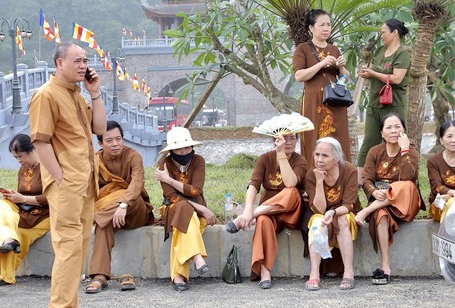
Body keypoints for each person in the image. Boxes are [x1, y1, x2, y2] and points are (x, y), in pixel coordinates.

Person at [30, 42, 106, 308]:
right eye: (77, 60)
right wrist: (59, 178)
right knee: (68, 248)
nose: (83, 65)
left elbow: (99, 128)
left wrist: (95, 92)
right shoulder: (46, 95)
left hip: (86, 182)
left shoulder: (77, 95)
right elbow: (40, 141)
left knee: (79, 247)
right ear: (60, 63)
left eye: (85, 60)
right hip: (66, 184)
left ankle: (62, 307)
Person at [226, 133, 307, 289]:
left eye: (292, 138)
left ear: (297, 140)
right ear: (274, 140)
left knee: (291, 192)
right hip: (268, 211)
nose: (288, 142)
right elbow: (254, 184)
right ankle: (265, 272)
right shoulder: (265, 158)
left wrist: (282, 154)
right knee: (262, 220)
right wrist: (249, 208)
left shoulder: (299, 160)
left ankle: (246, 217)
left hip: (290, 211)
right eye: (283, 139)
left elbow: (291, 183)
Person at [85, 120, 154, 294]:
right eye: (109, 141)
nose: (115, 144)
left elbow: (137, 183)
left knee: (131, 197)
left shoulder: (133, 156)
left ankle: (95, 217)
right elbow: (89, 189)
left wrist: (123, 204)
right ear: (100, 143)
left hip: (134, 211)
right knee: (103, 224)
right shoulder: (95, 160)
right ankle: (99, 276)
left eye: (118, 139)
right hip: (111, 215)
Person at [355, 113, 422, 285]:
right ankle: (385, 266)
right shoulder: (375, 152)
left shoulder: (411, 151)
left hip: (405, 202)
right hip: (382, 201)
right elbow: (366, 179)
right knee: (381, 215)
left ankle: (365, 211)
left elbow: (409, 177)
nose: (393, 131)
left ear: (403, 130)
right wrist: (373, 192)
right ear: (382, 133)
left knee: (405, 185)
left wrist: (405, 150)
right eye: (389, 127)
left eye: (397, 127)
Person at [154, 127, 216, 292]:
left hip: (193, 213)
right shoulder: (165, 163)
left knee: (188, 222)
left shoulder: (198, 160)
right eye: (179, 148)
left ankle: (179, 277)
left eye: (186, 147)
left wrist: (169, 179)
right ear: (172, 150)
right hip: (173, 207)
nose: (183, 151)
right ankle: (197, 257)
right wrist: (200, 207)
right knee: (182, 206)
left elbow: (196, 190)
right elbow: (171, 196)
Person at [293, 9, 351, 169]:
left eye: (329, 25)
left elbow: (345, 78)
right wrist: (321, 63)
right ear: (311, 28)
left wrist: (341, 68)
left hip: (335, 102)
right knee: (313, 138)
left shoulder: (334, 49)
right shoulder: (302, 49)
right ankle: (313, 180)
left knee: (339, 138)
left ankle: (341, 179)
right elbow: (299, 76)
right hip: (314, 103)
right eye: (322, 25)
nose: (326, 28)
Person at [302, 137, 360, 291]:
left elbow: (348, 205)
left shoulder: (349, 170)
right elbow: (319, 209)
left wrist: (333, 211)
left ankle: (348, 272)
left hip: (344, 213)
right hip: (322, 214)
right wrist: (320, 181)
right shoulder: (311, 175)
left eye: (325, 156)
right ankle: (314, 274)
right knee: (317, 222)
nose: (319, 160)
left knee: (342, 219)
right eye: (317, 154)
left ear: (336, 158)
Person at [356, 19, 411, 171]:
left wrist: (373, 73)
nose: (381, 35)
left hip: (393, 105)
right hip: (374, 102)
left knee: (396, 140)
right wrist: (366, 72)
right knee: (369, 141)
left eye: (383, 32)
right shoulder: (380, 51)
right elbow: (372, 70)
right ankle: (360, 178)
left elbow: (397, 78)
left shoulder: (402, 54)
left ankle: (399, 173)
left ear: (394, 33)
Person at [0, 134, 50, 285]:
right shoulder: (23, 170)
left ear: (33, 150)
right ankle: (9, 239)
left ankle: (6, 275)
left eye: (20, 156)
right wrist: (14, 196)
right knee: (2, 205)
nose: (19, 161)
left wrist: (23, 199)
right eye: (15, 158)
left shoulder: (47, 167)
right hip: (24, 211)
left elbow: (50, 197)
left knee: (21, 235)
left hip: (44, 214)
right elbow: (23, 192)